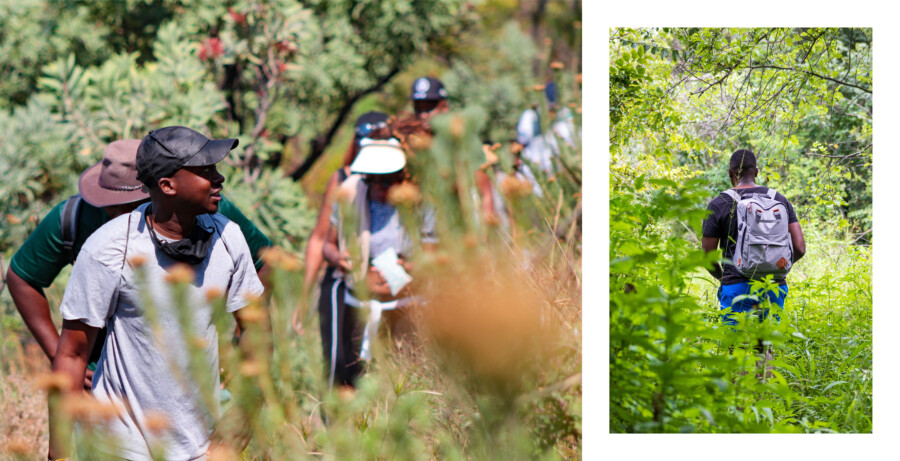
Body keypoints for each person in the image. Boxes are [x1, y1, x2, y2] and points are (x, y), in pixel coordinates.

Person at [48, 126, 266, 460]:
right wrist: (59, 454)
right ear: (167, 185)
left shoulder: (229, 238)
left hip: (201, 448)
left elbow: (258, 329)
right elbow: (72, 354)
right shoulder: (110, 249)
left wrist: (242, 419)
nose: (219, 178)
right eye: (206, 171)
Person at [6, 139, 271, 390]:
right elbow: (22, 277)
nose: (122, 215)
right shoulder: (74, 217)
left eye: (131, 205)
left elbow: (265, 262)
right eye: (111, 206)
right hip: (102, 377)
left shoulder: (209, 214)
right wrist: (58, 356)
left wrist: (242, 339)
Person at [322, 139, 436, 386]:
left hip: (405, 306)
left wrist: (410, 269)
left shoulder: (421, 201)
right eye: (371, 180)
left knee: (407, 378)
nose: (378, 188)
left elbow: (433, 255)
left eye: (386, 181)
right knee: (356, 379)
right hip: (361, 306)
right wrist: (340, 259)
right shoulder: (350, 195)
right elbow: (327, 246)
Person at [303, 111, 391, 390]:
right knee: (339, 362)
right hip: (344, 282)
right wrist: (304, 295)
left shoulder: (397, 181)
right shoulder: (343, 179)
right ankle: (334, 425)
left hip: (386, 283)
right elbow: (321, 239)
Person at [701, 149, 806, 357]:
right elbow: (800, 248)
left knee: (737, 350)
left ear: (731, 173)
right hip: (773, 285)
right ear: (756, 172)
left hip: (736, 286)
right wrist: (777, 268)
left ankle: (739, 388)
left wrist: (725, 278)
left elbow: (707, 256)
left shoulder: (719, 204)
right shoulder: (779, 200)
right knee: (764, 349)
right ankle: (763, 386)